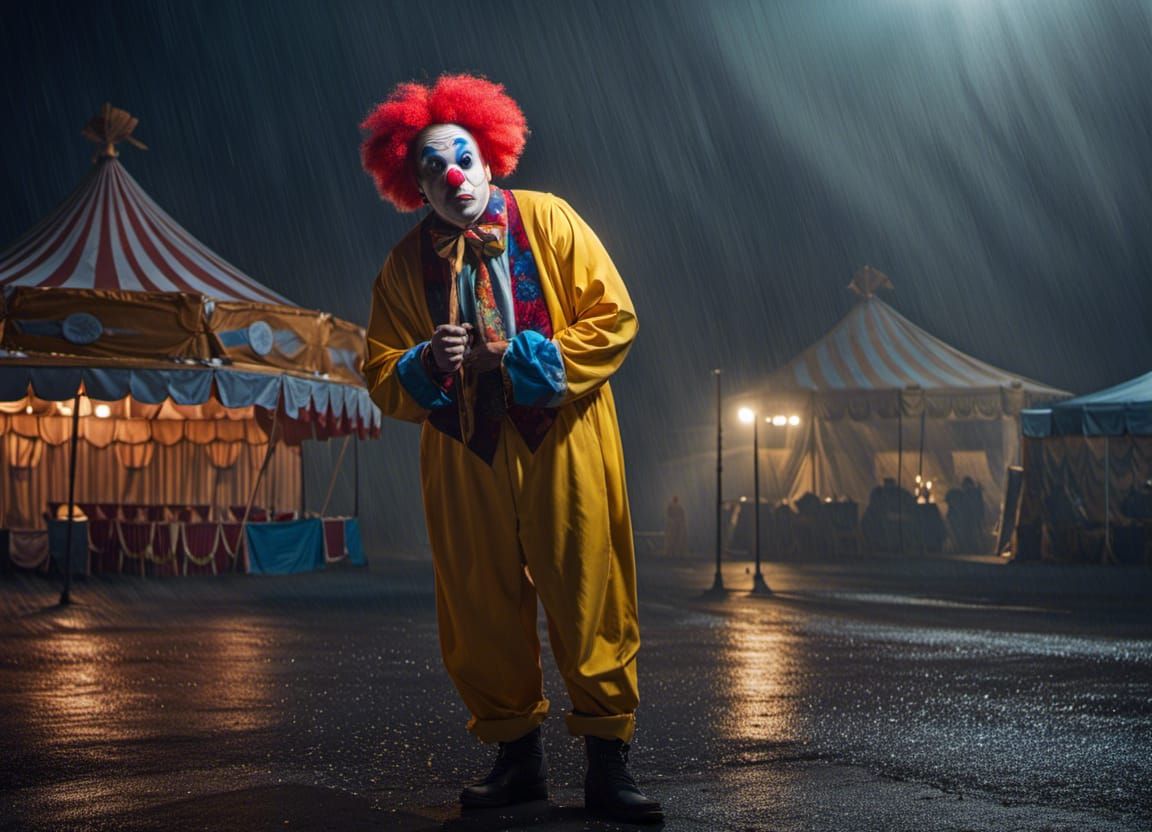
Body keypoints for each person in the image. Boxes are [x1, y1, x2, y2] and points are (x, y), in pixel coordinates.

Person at [359, 74, 661, 823]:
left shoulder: (550, 219)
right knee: (479, 603)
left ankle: (606, 762)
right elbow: (379, 373)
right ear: (411, 182)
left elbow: (614, 317)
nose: (451, 174)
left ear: (490, 157)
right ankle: (515, 758)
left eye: (461, 156)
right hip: (465, 456)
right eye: (432, 166)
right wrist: (427, 361)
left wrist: (523, 357)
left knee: (589, 589)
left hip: (563, 440)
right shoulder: (403, 269)